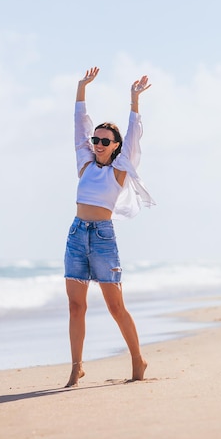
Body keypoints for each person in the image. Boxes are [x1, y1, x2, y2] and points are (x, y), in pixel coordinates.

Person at [64, 66, 155, 387]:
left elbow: (132, 135)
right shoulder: (85, 162)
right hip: (77, 235)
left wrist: (134, 100)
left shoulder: (119, 171)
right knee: (76, 306)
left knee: (116, 307)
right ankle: (76, 367)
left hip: (102, 238)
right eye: (97, 139)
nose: (99, 143)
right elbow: (79, 124)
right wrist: (81, 88)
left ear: (115, 146)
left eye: (105, 140)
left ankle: (137, 359)